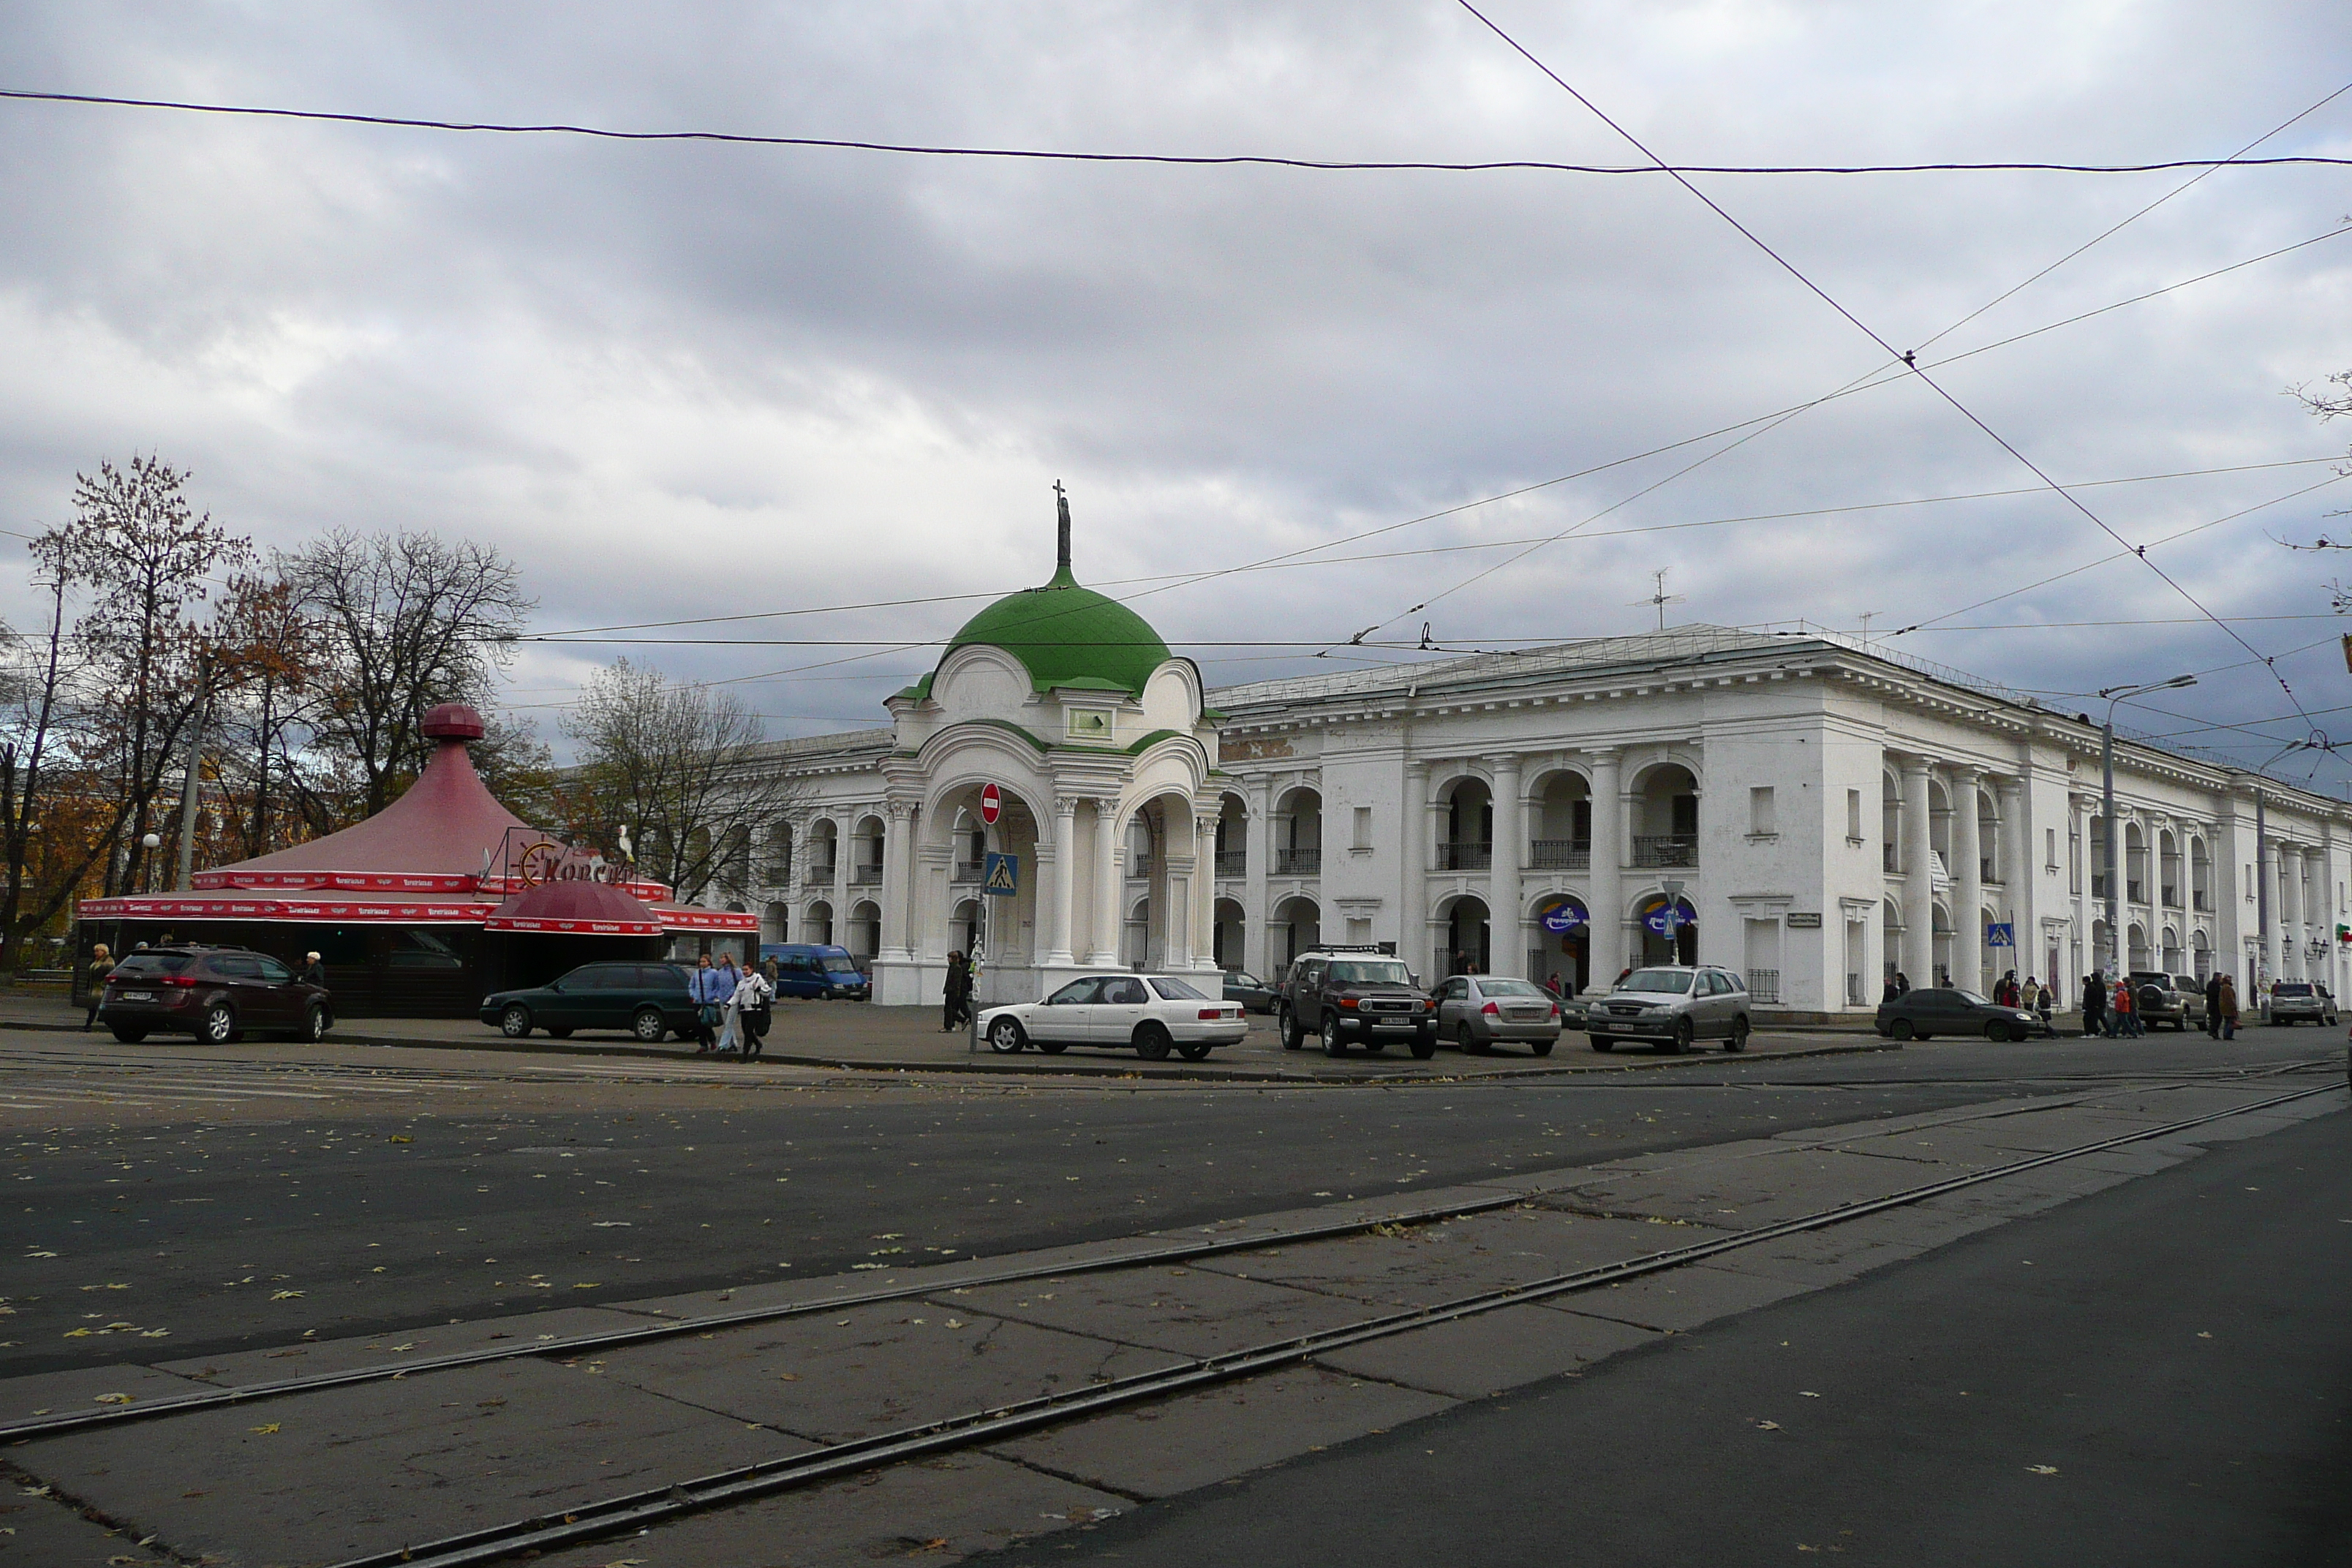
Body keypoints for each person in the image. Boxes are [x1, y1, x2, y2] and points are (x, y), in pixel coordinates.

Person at [731, 960, 774, 1060]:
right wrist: (729, 1004)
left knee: (749, 1030)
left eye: (747, 970)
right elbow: (737, 996)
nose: (745, 972)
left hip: (755, 1010)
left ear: (751, 970)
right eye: (743, 970)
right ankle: (758, 1044)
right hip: (744, 1010)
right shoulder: (742, 982)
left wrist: (759, 989)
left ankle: (745, 1054)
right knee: (746, 1031)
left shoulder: (758, 979)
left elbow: (768, 991)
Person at [687, 954, 728, 1052]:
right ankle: (703, 1045)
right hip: (698, 1002)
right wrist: (694, 995)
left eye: (704, 961)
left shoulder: (714, 973)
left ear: (709, 962)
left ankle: (712, 1040)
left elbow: (717, 987)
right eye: (701, 962)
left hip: (708, 1002)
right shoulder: (697, 973)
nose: (702, 964)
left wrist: (712, 996)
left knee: (707, 1023)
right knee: (698, 1025)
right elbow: (691, 986)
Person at [713, 953, 745, 1052]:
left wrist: (736, 996)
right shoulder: (720, 972)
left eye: (723, 958)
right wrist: (718, 995)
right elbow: (717, 985)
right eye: (720, 958)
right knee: (726, 1022)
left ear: (728, 959)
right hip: (722, 1000)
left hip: (733, 1000)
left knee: (729, 1023)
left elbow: (741, 984)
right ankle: (733, 1043)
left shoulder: (736, 971)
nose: (721, 960)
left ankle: (723, 1045)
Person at [83, 943, 113, 1030]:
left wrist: (102, 985)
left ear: (104, 951)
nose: (96, 953)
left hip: (100, 989)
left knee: (95, 1007)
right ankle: (89, 1024)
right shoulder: (96, 961)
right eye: (95, 951)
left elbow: (109, 975)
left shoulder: (108, 962)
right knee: (94, 1007)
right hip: (94, 988)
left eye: (98, 951)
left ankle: (89, 1025)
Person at [943, 951, 972, 1033]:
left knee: (953, 1009)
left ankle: (962, 1021)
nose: (948, 959)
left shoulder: (958, 968)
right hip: (954, 990)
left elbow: (957, 982)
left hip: (956, 991)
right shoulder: (954, 967)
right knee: (952, 1008)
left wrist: (955, 991)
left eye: (949, 958)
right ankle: (950, 1025)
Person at [2081, 970, 2105, 1037]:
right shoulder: (2090, 987)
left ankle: (2094, 1032)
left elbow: (2094, 997)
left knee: (2091, 1020)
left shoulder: (2092, 987)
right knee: (2089, 1020)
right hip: (2090, 1007)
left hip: (2092, 1007)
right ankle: (2092, 1032)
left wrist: (2095, 1005)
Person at [2216, 973, 2239, 1040]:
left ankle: (2226, 1034)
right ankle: (2228, 1035)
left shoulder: (2223, 987)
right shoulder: (2227, 987)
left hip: (2224, 1007)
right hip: (2228, 1007)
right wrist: (2234, 1006)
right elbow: (2230, 998)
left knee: (2227, 1021)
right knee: (2230, 1021)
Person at [2204, 971, 2223, 1039]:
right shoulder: (2213, 984)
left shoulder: (2217, 984)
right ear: (2216, 977)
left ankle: (2214, 1032)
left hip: (2214, 1003)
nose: (2220, 978)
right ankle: (2212, 1031)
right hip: (2214, 1004)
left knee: (2215, 1019)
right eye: (2219, 977)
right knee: (2216, 1018)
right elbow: (2214, 994)